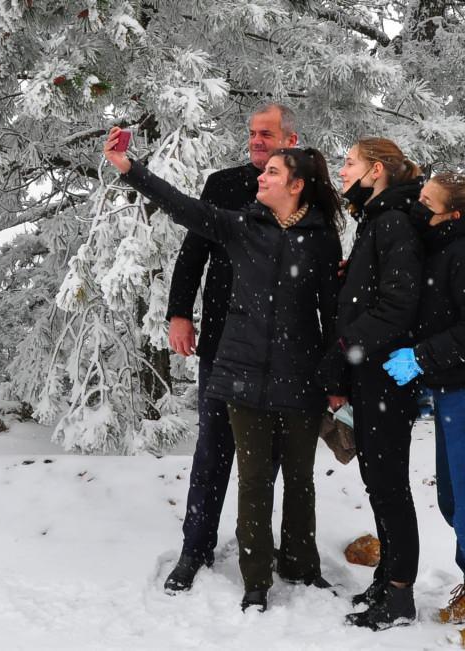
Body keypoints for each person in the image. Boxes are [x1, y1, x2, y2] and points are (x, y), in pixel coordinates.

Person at [103, 132, 347, 613]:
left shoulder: (320, 238)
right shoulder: (242, 227)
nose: (262, 176)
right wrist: (131, 169)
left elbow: (332, 313)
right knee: (254, 478)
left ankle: (301, 565)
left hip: (299, 377)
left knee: (300, 478)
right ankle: (255, 581)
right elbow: (184, 208)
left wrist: (334, 378)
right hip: (239, 372)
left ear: (296, 185)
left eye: (273, 172)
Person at [162, 103, 298, 593]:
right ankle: (193, 549)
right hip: (221, 342)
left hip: (282, 352)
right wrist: (180, 313)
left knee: (277, 459)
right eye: (253, 134)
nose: (257, 141)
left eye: (267, 134)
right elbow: (192, 251)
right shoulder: (223, 184)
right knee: (213, 449)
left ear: (290, 139)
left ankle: (272, 550)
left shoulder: (306, 191)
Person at [383, 173, 465, 649]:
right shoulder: (442, 252)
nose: (418, 209)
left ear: (452, 216)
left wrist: (421, 357)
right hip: (453, 396)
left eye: (427, 203)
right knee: (457, 504)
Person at [331, 138, 424, 630]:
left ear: (377, 170)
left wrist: (349, 344)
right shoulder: (378, 218)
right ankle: (387, 577)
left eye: (351, 163)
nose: (343, 170)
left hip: (387, 376)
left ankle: (401, 595)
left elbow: (397, 305)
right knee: (378, 482)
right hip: (375, 373)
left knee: (389, 486)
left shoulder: (392, 221)